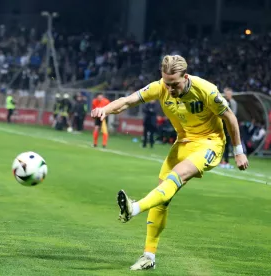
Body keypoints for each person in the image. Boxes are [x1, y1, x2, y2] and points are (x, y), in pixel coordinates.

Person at [91, 55, 248, 270]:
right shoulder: (160, 87)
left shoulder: (206, 90)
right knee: (162, 197)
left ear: (185, 76)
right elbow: (127, 101)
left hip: (210, 144)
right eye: (167, 83)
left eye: (174, 84)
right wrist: (105, 110)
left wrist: (238, 151)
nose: (170, 89)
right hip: (182, 143)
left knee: (178, 174)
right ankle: (148, 256)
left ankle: (134, 209)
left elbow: (230, 118)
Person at [220, 87, 238, 168]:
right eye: (225, 93)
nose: (227, 95)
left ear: (231, 94)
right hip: (222, 125)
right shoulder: (223, 101)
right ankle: (221, 161)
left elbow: (233, 114)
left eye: (228, 93)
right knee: (221, 143)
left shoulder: (233, 103)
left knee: (227, 144)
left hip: (229, 126)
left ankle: (226, 161)